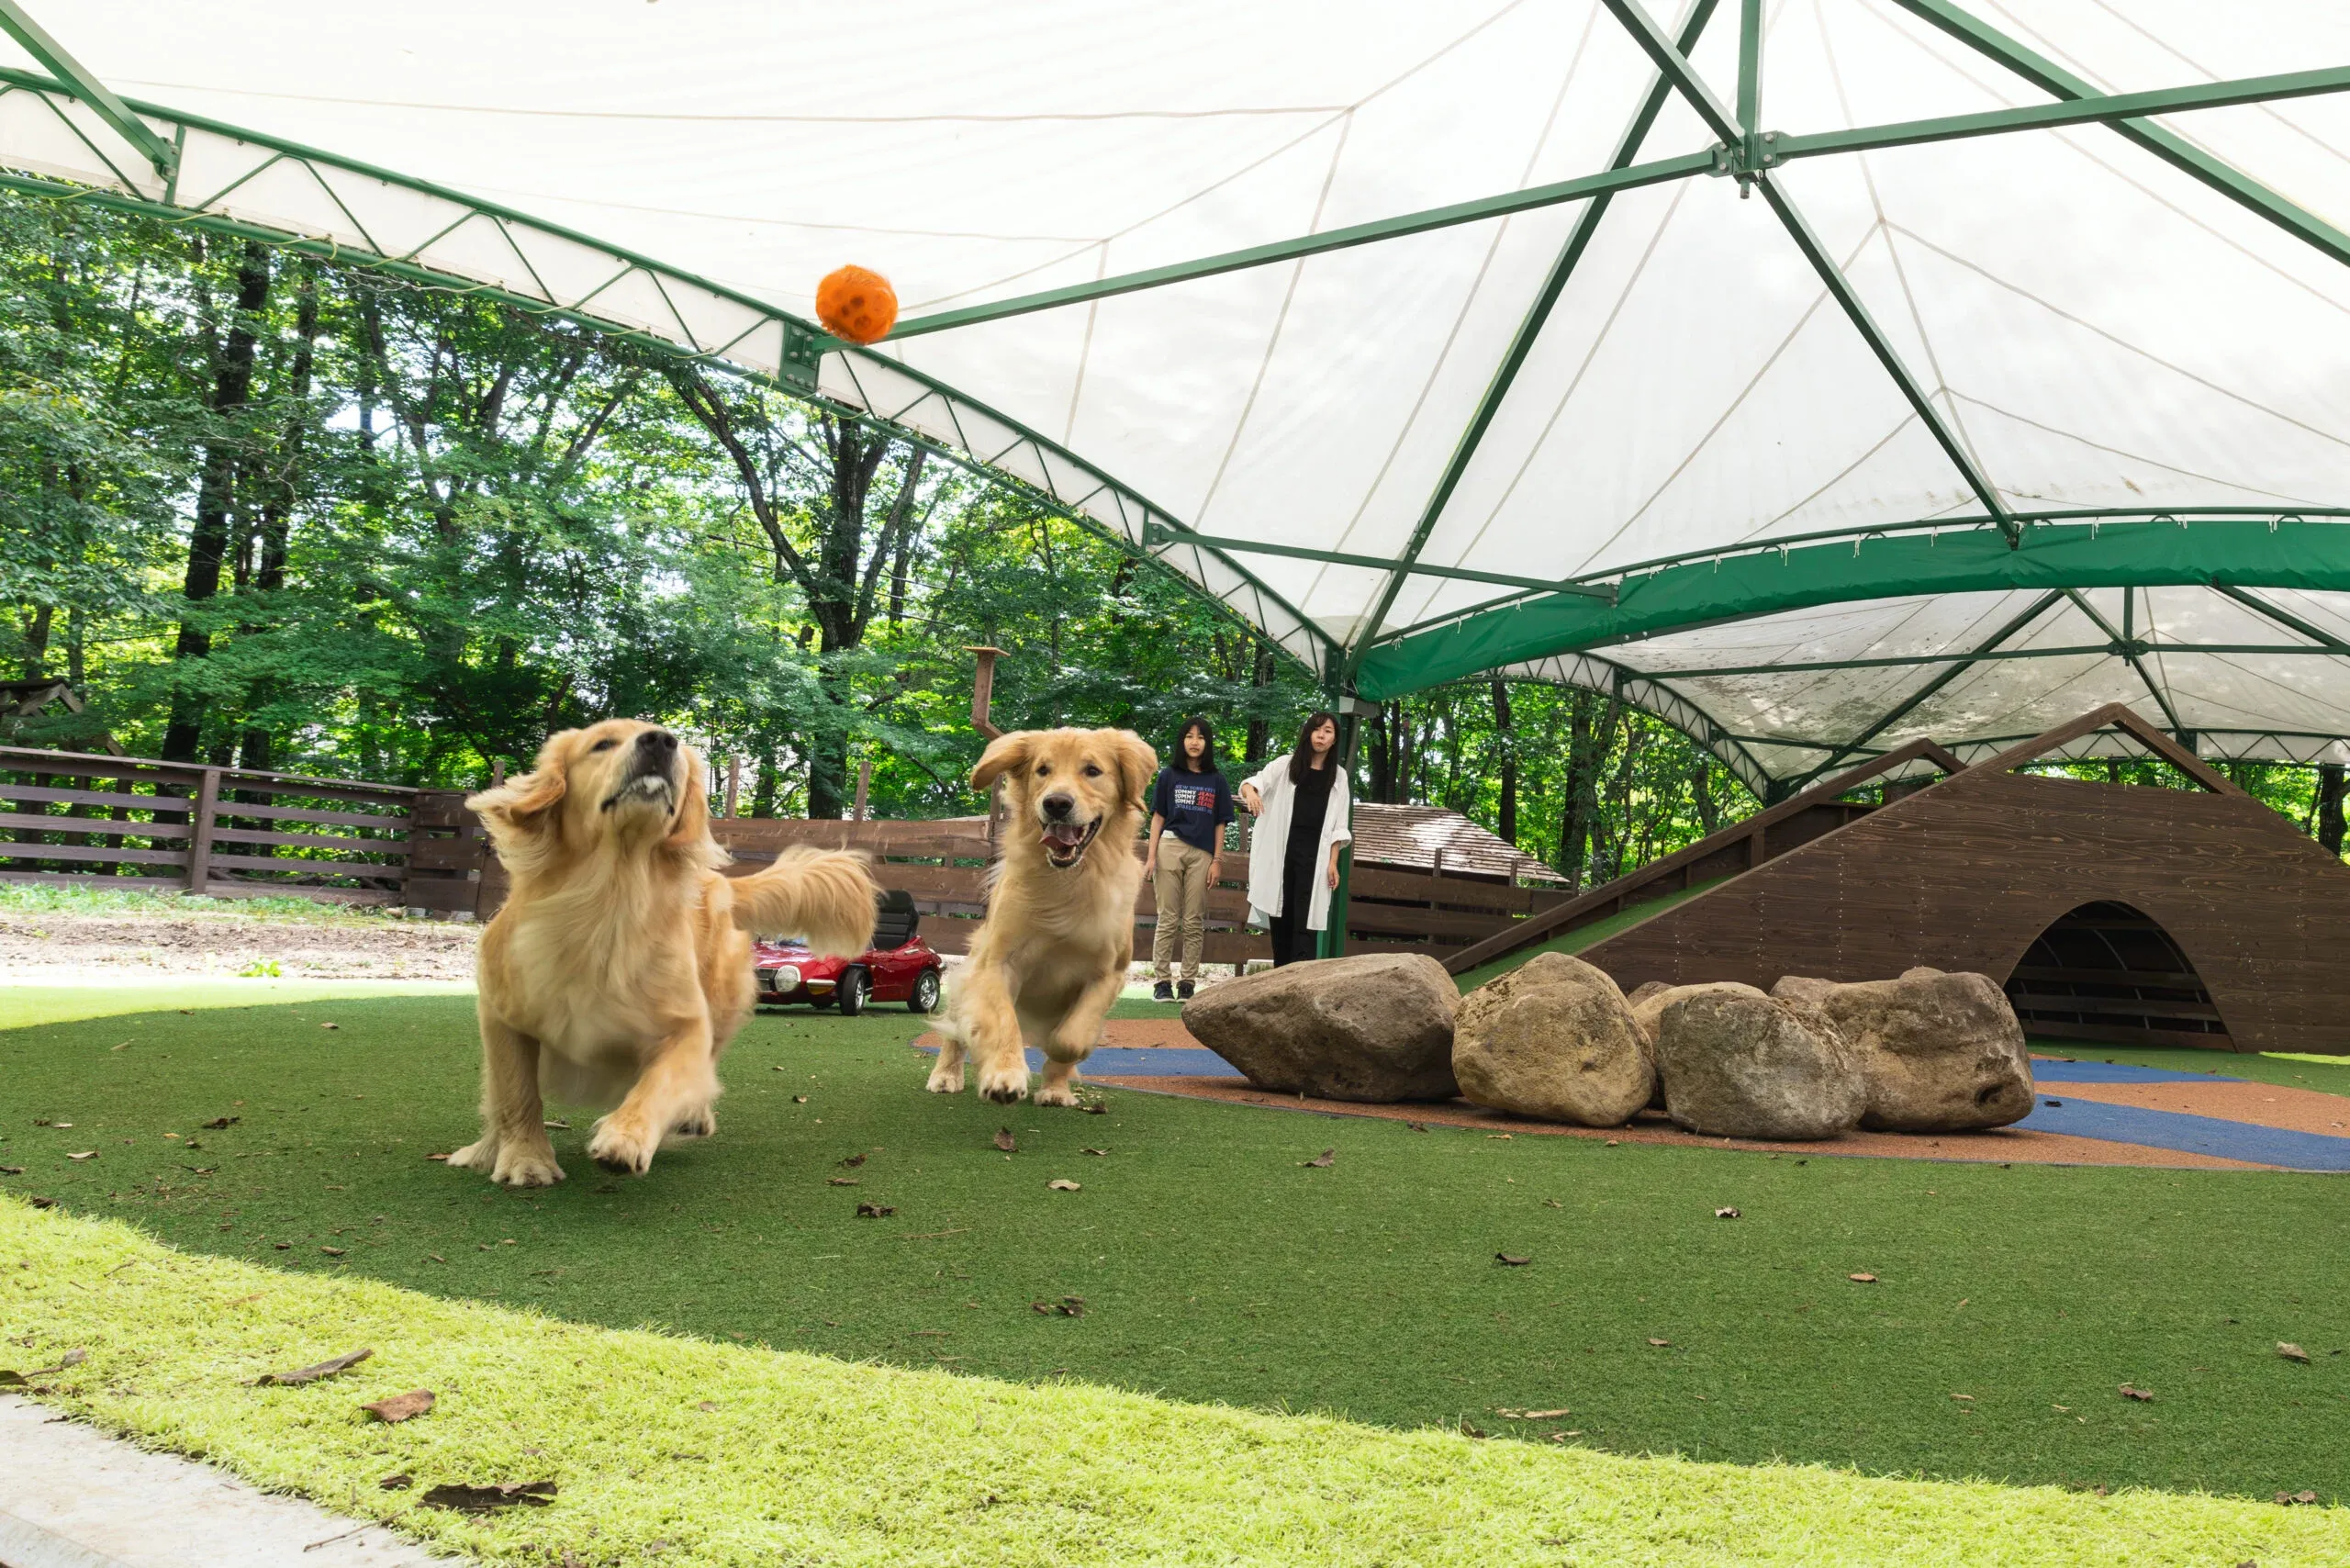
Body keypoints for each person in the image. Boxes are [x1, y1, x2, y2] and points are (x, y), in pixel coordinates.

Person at [1238, 711, 1351, 967]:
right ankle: (1281, 974)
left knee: (1306, 921)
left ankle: (1302, 979)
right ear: (1308, 733)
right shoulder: (1285, 765)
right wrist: (1251, 794)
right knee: (1281, 915)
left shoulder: (1339, 776)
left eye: (1328, 731)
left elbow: (1339, 826)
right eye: (1316, 729)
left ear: (1335, 739)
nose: (1321, 735)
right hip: (1282, 853)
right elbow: (1253, 783)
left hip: (1316, 859)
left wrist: (1332, 862)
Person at [1142, 717, 1236, 1002]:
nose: (1194, 742)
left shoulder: (1217, 780)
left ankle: (1187, 983)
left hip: (1202, 854)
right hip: (1169, 847)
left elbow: (1221, 822)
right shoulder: (1169, 775)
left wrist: (1217, 859)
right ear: (1182, 741)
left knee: (1194, 920)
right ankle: (1161, 983)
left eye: (1201, 737)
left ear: (1207, 743)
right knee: (1167, 918)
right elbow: (1157, 817)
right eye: (1189, 736)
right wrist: (1150, 858)